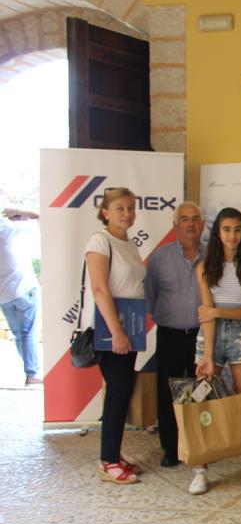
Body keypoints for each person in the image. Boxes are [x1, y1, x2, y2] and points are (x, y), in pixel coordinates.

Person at [191, 208, 241, 495]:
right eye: (226, 229)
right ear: (217, 233)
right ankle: (201, 469)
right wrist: (208, 356)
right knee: (205, 402)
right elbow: (206, 318)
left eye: (237, 229)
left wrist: (217, 311)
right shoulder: (204, 267)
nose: (232, 235)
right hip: (210, 336)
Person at [86, 188, 147, 484]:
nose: (127, 213)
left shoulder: (129, 243)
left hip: (130, 329)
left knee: (122, 392)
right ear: (105, 212)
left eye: (131, 208)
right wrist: (117, 332)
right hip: (113, 331)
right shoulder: (100, 241)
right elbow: (100, 289)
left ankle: (114, 454)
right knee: (117, 393)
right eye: (120, 208)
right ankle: (108, 461)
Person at [144, 201, 204, 467]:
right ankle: (171, 448)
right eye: (184, 219)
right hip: (169, 335)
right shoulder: (159, 258)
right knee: (168, 392)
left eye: (194, 219)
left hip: (202, 336)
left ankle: (198, 445)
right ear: (175, 225)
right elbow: (150, 296)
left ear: (202, 224)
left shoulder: (212, 256)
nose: (190, 224)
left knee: (200, 391)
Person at [0, 207, 42, 385]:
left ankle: (30, 370)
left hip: (4, 295)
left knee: (19, 335)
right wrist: (15, 211)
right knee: (28, 333)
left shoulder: (9, 230)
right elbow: (41, 216)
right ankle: (32, 374)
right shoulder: (12, 230)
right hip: (24, 289)